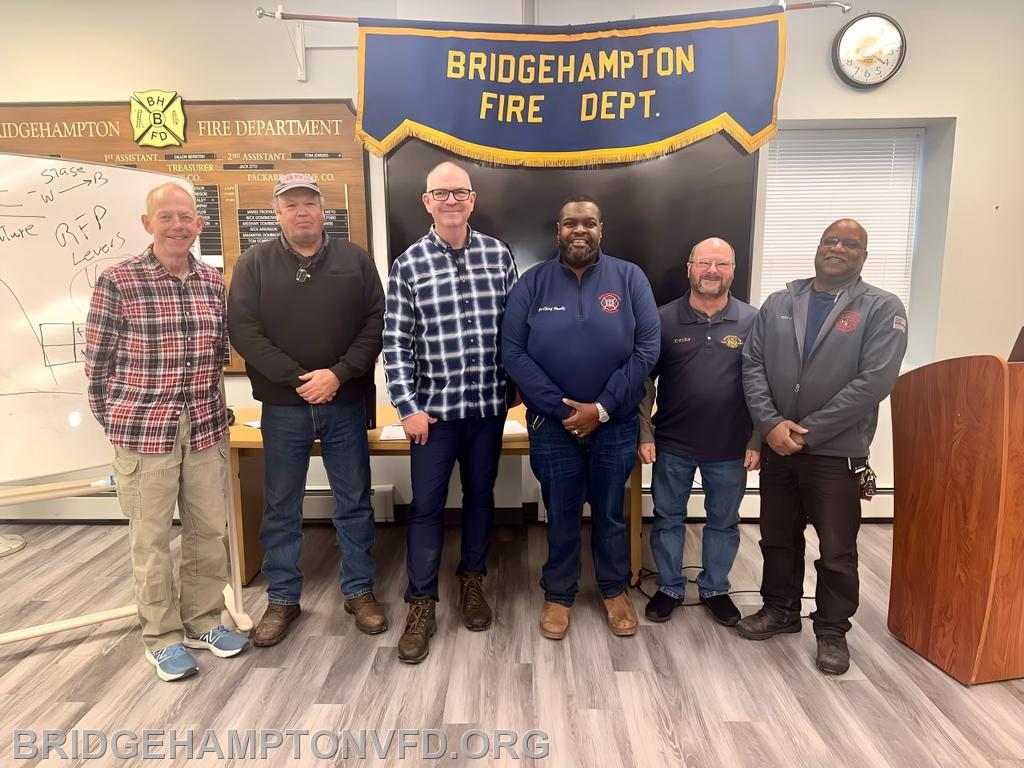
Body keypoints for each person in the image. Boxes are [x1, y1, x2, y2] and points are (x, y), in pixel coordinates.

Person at [85, 182, 249, 682]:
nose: (178, 226)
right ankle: (161, 637)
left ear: (199, 225)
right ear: (147, 223)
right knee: (151, 539)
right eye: (167, 217)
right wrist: (117, 421)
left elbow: (219, 355)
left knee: (209, 531)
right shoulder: (118, 281)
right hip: (143, 431)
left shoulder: (211, 280)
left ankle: (202, 622)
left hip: (204, 427)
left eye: (186, 217)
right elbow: (97, 364)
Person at [738, 218, 908, 675]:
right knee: (776, 537)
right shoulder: (779, 302)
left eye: (849, 243)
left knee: (835, 547)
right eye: (830, 240)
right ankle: (780, 610)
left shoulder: (882, 308)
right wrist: (771, 426)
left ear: (864, 257)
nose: (837, 247)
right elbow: (752, 367)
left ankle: (832, 630)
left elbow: (874, 382)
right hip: (777, 449)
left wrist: (805, 431)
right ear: (817, 248)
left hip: (837, 453)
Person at [227, 173, 386, 646]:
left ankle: (359, 590)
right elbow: (244, 331)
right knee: (280, 505)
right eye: (290, 204)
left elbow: (376, 323)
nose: (301, 212)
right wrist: (300, 380)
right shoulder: (253, 263)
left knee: (354, 499)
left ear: (324, 210)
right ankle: (282, 599)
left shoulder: (355, 261)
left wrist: (337, 374)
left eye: (309, 203)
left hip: (345, 401)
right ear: (277, 213)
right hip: (283, 406)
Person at [502, 195, 660, 640]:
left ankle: (613, 590)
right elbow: (513, 353)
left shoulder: (630, 279)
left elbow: (647, 350)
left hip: (616, 423)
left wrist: (603, 407)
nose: (579, 230)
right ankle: (559, 594)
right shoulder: (531, 284)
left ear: (601, 229)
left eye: (588, 223)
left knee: (610, 514)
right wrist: (562, 409)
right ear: (558, 231)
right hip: (552, 426)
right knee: (562, 512)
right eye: (570, 223)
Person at [383, 161, 518, 664]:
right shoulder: (409, 264)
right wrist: (407, 407)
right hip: (432, 417)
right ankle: (421, 602)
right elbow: (395, 343)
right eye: (441, 192)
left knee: (481, 497)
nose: (451, 200)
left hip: (486, 409)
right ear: (427, 202)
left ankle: (472, 581)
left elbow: (515, 328)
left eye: (459, 192)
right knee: (426, 507)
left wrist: (517, 386)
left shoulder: (498, 254)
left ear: (472, 199)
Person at [638, 237, 759, 626]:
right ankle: (670, 586)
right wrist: (645, 433)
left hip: (731, 446)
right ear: (689, 268)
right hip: (672, 443)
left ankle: (715, 588)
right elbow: (644, 383)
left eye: (721, 264)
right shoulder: (661, 319)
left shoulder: (754, 321)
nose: (712, 271)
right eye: (704, 262)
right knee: (667, 518)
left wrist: (758, 439)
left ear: (733, 271)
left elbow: (765, 385)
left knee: (723, 522)